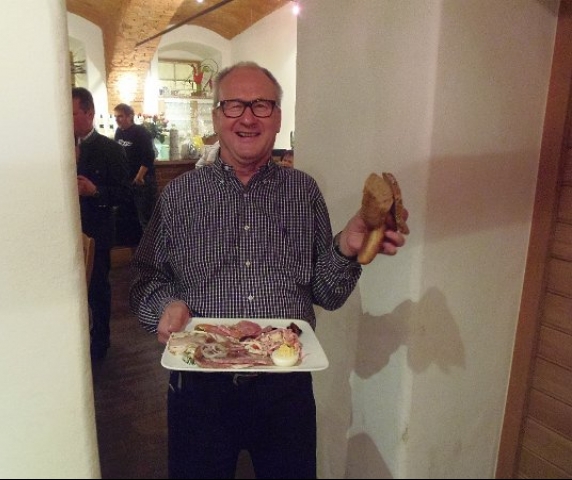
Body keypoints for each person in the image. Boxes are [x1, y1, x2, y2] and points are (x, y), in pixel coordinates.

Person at [129, 62, 408, 479]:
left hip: (286, 389)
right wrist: (163, 306)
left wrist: (347, 248)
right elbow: (144, 278)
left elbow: (327, 293)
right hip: (200, 389)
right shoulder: (179, 196)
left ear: (277, 118)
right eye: (234, 105)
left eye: (261, 105)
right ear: (216, 117)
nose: (247, 117)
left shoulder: (304, 192)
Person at [73, 87, 131, 361]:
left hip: (97, 230)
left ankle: (100, 342)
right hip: (66, 233)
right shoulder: (58, 148)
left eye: (72, 113)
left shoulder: (109, 149)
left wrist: (95, 191)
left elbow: (124, 194)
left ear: (89, 113)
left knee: (97, 288)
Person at [113, 103, 158, 244]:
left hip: (143, 182)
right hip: (127, 183)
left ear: (130, 116)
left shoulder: (140, 132)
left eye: (120, 116)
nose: (117, 119)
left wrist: (139, 176)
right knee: (131, 221)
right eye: (116, 116)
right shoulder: (119, 132)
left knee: (146, 220)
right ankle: (137, 252)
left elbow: (149, 156)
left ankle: (152, 252)